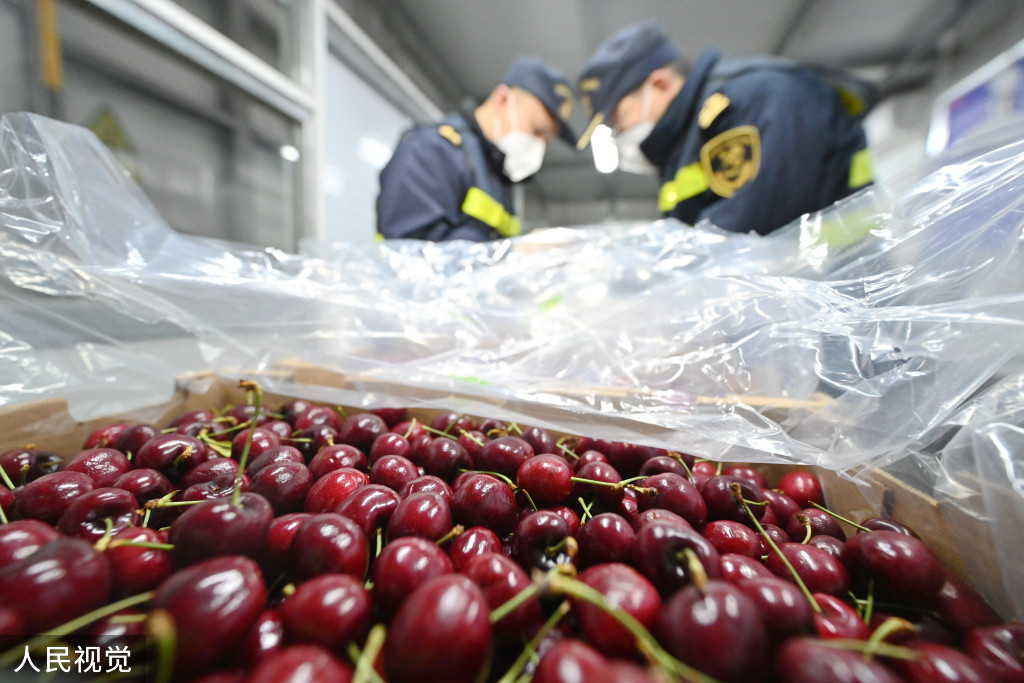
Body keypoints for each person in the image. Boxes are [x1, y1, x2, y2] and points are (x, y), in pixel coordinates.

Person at [575, 21, 877, 236]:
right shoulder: (682, 145)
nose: (618, 133)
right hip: (797, 299)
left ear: (660, 84)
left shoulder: (753, 101)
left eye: (617, 120)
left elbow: (744, 232)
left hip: (845, 291)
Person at [377, 57, 576, 241]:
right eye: (536, 130)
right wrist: (514, 252)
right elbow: (410, 255)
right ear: (502, 99)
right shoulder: (431, 151)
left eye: (546, 141)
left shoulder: (498, 177)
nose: (539, 145)